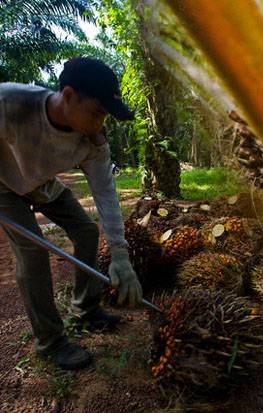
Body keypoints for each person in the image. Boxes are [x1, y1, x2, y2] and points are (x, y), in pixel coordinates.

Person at [0, 57, 143, 370]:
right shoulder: (9, 102)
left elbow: (106, 195)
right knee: (33, 250)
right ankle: (50, 342)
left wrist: (120, 255)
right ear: (67, 95)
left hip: (43, 184)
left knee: (86, 231)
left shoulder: (93, 141)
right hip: (4, 185)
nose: (100, 124)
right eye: (95, 112)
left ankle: (86, 309)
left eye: (105, 116)